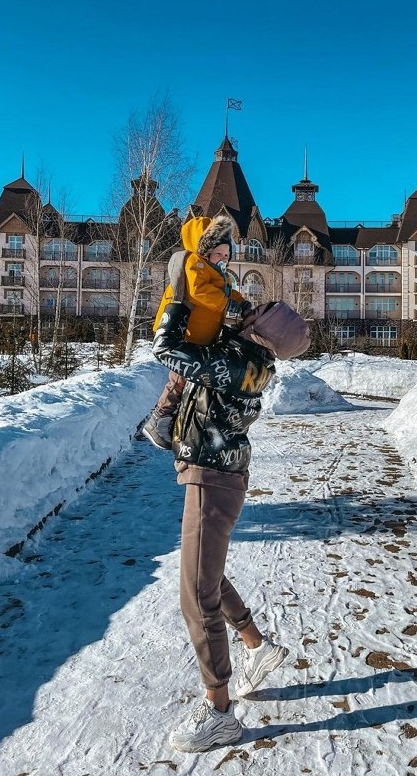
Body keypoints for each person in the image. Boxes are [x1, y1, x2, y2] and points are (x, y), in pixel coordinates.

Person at [152, 297, 310, 753]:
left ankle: (220, 712)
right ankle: (257, 646)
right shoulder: (245, 356)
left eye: (257, 310)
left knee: (196, 596)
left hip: (213, 478)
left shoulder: (238, 362)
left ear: (263, 330)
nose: (248, 308)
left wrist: (179, 301)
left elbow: (168, 349)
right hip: (216, 474)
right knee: (205, 575)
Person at [143, 215, 249, 450]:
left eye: (227, 254)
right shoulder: (195, 263)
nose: (223, 258)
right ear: (205, 250)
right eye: (218, 253)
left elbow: (227, 293)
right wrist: (227, 304)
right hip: (185, 333)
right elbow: (200, 292)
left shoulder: (217, 274)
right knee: (180, 378)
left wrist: (241, 303)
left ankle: (178, 419)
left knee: (189, 379)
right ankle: (159, 418)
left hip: (200, 336)